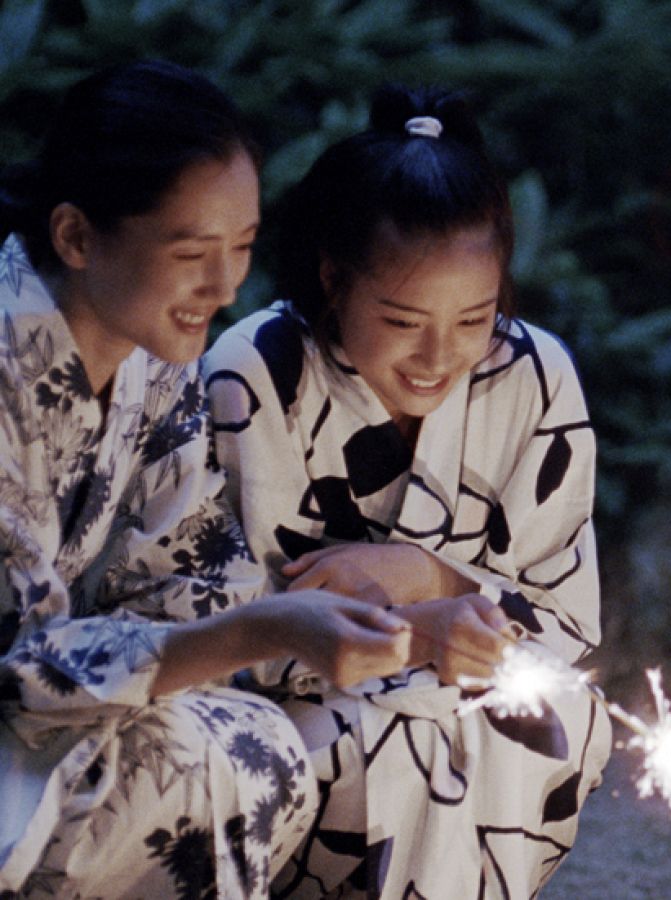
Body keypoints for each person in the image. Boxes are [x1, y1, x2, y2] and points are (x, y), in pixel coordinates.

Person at [0, 60, 415, 898]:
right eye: (193, 251)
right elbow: (16, 666)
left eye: (243, 246)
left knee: (256, 744)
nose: (226, 286)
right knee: (204, 763)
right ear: (77, 237)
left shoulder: (155, 357)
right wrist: (264, 631)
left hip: (45, 720)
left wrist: (375, 624)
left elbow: (191, 579)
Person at [201, 85, 611, 899]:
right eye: (401, 319)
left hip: (474, 694)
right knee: (401, 739)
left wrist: (433, 577)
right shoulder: (255, 373)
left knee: (556, 715)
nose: (438, 355)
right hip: (301, 706)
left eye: (473, 320)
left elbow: (565, 624)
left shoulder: (533, 374)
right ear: (334, 279)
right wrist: (417, 636)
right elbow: (224, 633)